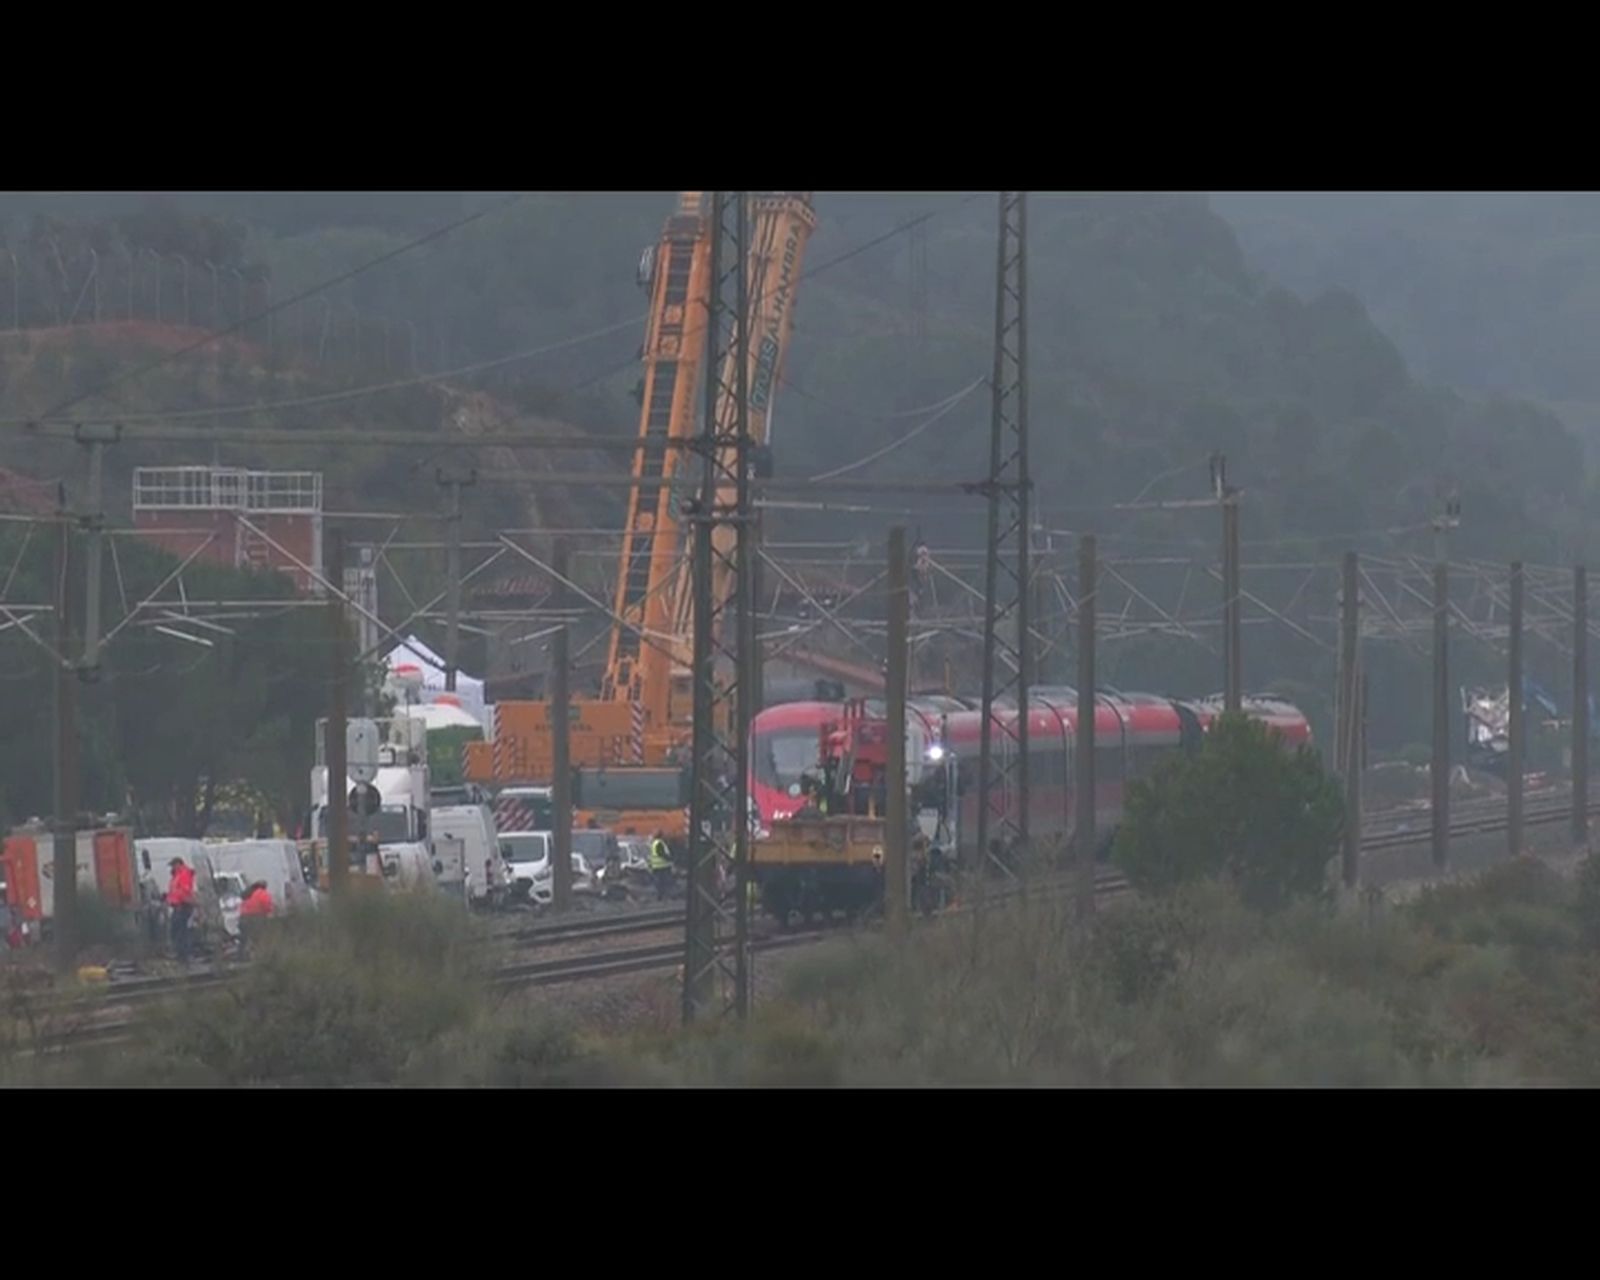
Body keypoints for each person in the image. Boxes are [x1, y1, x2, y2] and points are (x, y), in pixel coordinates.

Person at [166, 857, 197, 963]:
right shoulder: (177, 875)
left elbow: (184, 891)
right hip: (178, 906)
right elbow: (174, 890)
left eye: (173, 865)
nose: (172, 868)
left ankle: (184, 956)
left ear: (178, 864)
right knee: (177, 930)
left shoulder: (183, 874)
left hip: (183, 906)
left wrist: (181, 902)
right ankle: (181, 954)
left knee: (181, 931)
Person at [238, 880, 273, 955]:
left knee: (244, 939)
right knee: (259, 939)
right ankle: (258, 955)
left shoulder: (248, 894)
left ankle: (241, 956)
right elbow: (267, 908)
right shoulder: (263, 893)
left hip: (243, 918)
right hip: (256, 919)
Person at [647, 830, 674, 900]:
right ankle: (663, 896)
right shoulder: (659, 843)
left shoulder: (655, 843)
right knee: (664, 882)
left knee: (659, 882)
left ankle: (660, 896)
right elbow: (661, 853)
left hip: (657, 866)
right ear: (661, 836)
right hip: (662, 866)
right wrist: (670, 859)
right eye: (663, 835)